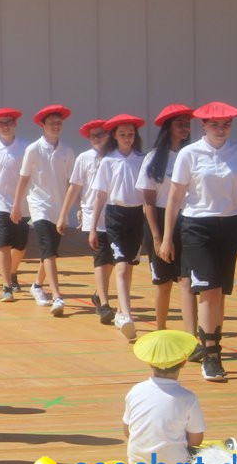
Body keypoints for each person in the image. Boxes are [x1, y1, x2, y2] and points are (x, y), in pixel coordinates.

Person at [161, 101, 237, 382]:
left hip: (229, 227)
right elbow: (174, 198)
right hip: (196, 227)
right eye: (215, 124)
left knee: (219, 293)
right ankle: (211, 356)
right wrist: (167, 237)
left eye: (226, 124)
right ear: (203, 126)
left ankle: (210, 347)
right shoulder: (189, 154)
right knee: (207, 289)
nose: (221, 129)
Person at [137, 105, 195, 335]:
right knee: (163, 282)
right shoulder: (154, 158)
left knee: (186, 280)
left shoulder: (191, 154)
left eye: (187, 123)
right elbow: (148, 203)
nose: (185, 128)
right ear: (168, 127)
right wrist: (158, 237)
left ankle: (191, 336)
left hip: (187, 219)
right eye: (179, 123)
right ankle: (160, 330)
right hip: (159, 221)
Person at [90, 114, 147, 342]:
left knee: (129, 266)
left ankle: (122, 311)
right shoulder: (108, 161)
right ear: (114, 136)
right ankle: (127, 315)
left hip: (136, 216)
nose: (127, 138)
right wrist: (93, 227)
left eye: (130, 134)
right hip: (115, 216)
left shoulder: (142, 159)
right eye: (122, 134)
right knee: (121, 266)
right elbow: (100, 195)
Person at [12, 105, 74, 309]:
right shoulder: (33, 149)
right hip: (39, 206)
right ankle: (57, 296)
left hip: (59, 208)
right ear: (42, 125)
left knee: (51, 250)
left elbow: (72, 183)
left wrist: (74, 208)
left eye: (59, 123)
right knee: (47, 247)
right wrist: (16, 206)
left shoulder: (67, 151)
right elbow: (24, 178)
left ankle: (37, 285)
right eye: (51, 123)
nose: (56, 126)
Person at [0, 108, 38, 306]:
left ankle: (12, 273)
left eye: (9, 122)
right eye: (1, 123)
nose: (5, 126)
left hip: (22, 203)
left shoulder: (26, 147)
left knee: (20, 245)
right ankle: (6, 286)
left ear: (15, 124)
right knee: (3, 242)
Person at [58, 119, 113, 322]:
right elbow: (74, 187)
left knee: (112, 260)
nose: (97, 139)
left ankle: (99, 294)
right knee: (101, 257)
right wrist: (65, 213)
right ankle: (105, 303)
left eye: (101, 134)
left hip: (116, 214)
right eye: (93, 136)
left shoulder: (116, 157)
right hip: (93, 214)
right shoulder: (84, 158)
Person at [123, 330, 204, 464]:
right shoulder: (188, 398)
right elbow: (196, 440)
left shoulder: (136, 390)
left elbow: (127, 430)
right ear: (184, 362)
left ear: (150, 362)